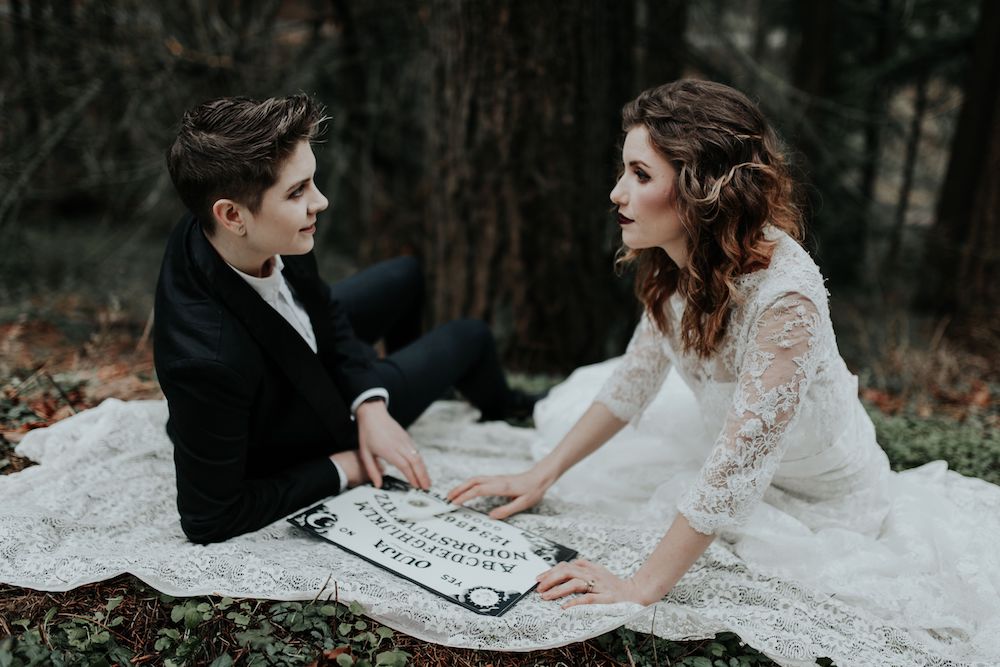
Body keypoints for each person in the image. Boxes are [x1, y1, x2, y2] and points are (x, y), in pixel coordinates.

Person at [447, 79, 901, 607]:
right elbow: (635, 380)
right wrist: (540, 473)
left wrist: (640, 586)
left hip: (817, 493)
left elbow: (737, 468)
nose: (617, 193)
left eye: (640, 175)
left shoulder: (785, 302)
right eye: (624, 171)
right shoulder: (678, 257)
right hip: (729, 445)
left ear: (704, 189)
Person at [155, 94, 534, 545]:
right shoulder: (207, 362)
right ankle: (505, 405)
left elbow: (323, 309)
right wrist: (345, 465)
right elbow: (208, 519)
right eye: (297, 192)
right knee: (470, 336)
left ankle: (391, 403)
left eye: (311, 182)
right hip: (296, 418)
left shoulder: (232, 227)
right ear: (232, 215)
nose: (321, 201)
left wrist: (371, 403)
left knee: (406, 275)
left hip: (297, 348)